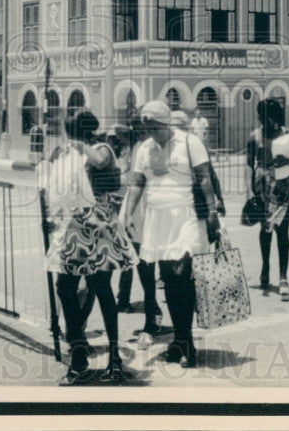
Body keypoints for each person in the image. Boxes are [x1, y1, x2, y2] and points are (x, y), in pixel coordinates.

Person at [42, 108, 138, 385]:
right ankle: (79, 352)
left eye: (68, 132)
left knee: (102, 289)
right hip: (74, 228)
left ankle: (114, 360)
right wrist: (53, 216)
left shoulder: (102, 148)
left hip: (98, 229)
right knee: (64, 287)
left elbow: (97, 162)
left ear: (78, 132)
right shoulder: (70, 154)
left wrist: (78, 145)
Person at [125, 100, 222, 368]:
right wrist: (127, 214)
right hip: (158, 218)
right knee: (169, 279)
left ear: (165, 122)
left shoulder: (189, 142)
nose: (150, 131)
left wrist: (212, 212)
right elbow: (136, 182)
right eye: (147, 127)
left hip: (187, 214)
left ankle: (186, 340)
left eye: (154, 125)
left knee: (181, 272)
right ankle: (180, 339)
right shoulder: (144, 148)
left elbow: (204, 177)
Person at [246, 98, 289, 301]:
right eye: (262, 117)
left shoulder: (286, 135)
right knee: (265, 230)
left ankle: (283, 277)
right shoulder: (255, 136)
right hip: (262, 188)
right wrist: (249, 191)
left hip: (283, 188)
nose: (265, 121)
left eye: (268, 118)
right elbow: (249, 165)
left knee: (283, 232)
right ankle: (265, 267)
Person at [113, 121, 164, 338]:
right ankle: (151, 313)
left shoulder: (155, 148)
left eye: (148, 128)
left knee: (148, 267)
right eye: (141, 129)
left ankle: (153, 314)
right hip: (136, 211)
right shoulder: (138, 148)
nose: (145, 133)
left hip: (150, 211)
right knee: (140, 265)